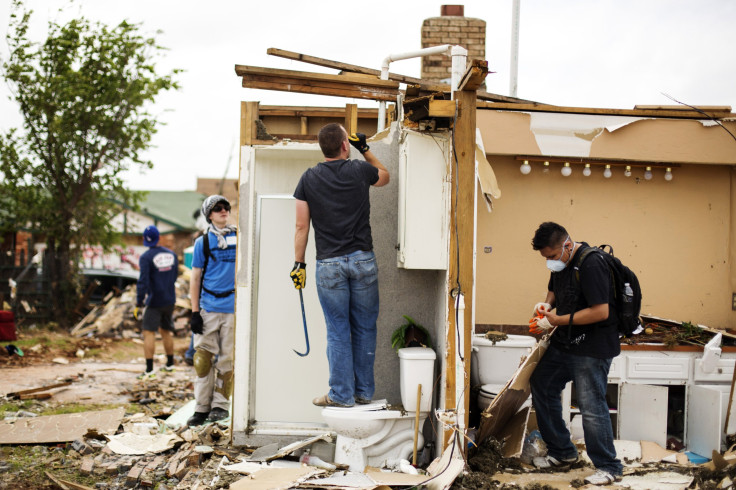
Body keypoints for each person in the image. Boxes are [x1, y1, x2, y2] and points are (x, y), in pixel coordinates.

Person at [291, 124, 390, 408]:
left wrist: (299, 265)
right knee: (365, 328)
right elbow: (384, 177)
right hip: (362, 260)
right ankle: (362, 393)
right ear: (345, 145)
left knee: (337, 330)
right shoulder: (360, 170)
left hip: (329, 264)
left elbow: (301, 226)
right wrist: (366, 149)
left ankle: (340, 395)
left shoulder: (308, 178)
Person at [529, 222, 623, 486]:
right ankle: (563, 453)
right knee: (542, 383)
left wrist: (555, 321)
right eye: (545, 258)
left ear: (567, 246)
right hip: (567, 341)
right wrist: (547, 304)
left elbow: (600, 311)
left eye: (551, 256)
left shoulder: (592, 264)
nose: (549, 262)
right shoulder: (562, 262)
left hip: (593, 346)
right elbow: (555, 288)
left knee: (591, 405)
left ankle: (609, 467)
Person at [187, 195, 237, 426]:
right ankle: (201, 407)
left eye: (226, 207)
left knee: (227, 360)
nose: (223, 211)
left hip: (232, 308)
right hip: (208, 308)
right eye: (217, 208)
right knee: (203, 360)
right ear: (209, 214)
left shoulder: (239, 238)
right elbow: (195, 277)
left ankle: (220, 405)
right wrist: (194, 312)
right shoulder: (203, 242)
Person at [135, 225, 178, 379]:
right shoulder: (171, 255)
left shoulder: (146, 257)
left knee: (148, 332)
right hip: (169, 299)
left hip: (154, 301)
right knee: (166, 331)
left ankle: (149, 370)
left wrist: (139, 301)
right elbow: (174, 276)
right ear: (158, 237)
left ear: (144, 240)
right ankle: (170, 365)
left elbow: (143, 281)